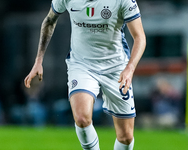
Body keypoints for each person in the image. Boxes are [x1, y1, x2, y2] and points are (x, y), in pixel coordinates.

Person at [24, 0, 146, 149]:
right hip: (82, 64)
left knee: (126, 137)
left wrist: (130, 68)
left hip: (116, 68)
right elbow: (49, 20)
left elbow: (140, 37)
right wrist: (39, 60)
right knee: (82, 118)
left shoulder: (122, 1)